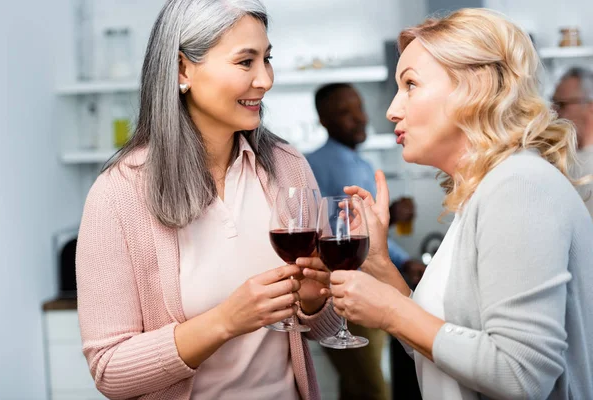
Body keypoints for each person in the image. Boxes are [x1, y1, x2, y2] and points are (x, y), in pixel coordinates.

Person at [302, 8, 593, 400]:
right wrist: (380, 265)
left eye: (410, 85)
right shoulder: (489, 190)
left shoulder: (521, 186)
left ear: (473, 89)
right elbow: (443, 348)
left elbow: (521, 376)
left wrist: (390, 311)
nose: (391, 110)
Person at [75, 1, 339, 399]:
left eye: (267, 59)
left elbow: (324, 328)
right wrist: (226, 321)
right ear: (183, 69)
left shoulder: (288, 167)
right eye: (245, 62)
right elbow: (110, 371)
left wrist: (316, 302)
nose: (265, 80)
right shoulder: (119, 193)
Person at [305, 83, 423, 400]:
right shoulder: (326, 162)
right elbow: (348, 233)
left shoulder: (359, 163)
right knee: (374, 389)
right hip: (349, 290)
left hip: (365, 284)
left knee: (356, 387)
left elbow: (365, 230)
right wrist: (401, 260)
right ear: (323, 120)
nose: (359, 118)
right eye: (345, 112)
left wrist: (397, 254)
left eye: (358, 107)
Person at [552, 67, 593, 216]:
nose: (555, 112)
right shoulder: (561, 160)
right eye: (553, 103)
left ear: (590, 107)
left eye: (562, 104)